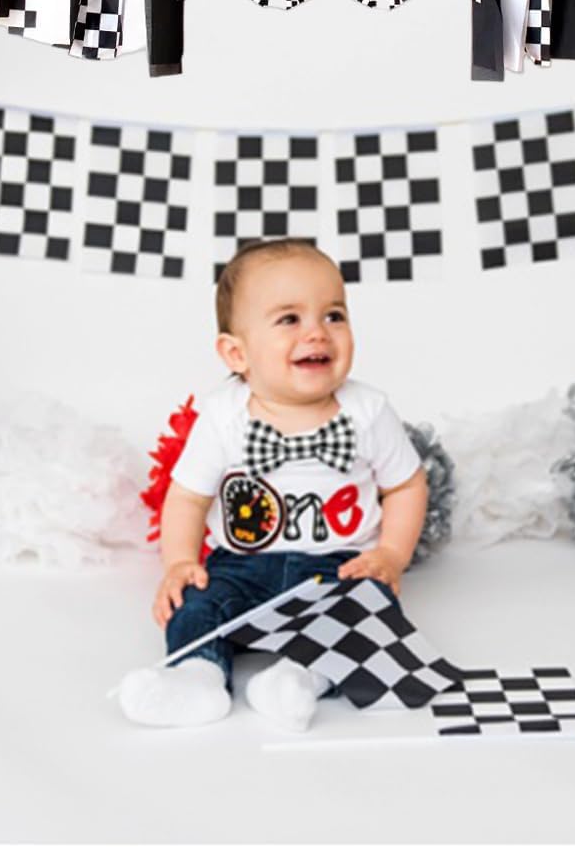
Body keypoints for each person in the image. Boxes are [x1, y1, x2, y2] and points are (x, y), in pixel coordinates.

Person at [119, 238, 428, 731]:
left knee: (369, 610)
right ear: (236, 352)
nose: (317, 334)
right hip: (240, 566)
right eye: (290, 320)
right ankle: (198, 677)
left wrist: (390, 554)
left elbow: (407, 486)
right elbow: (187, 498)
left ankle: (300, 680)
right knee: (197, 605)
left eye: (334, 315)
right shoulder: (222, 416)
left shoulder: (368, 411)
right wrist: (180, 562)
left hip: (337, 566)